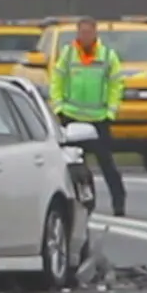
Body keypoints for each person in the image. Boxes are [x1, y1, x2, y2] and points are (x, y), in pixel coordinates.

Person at [49, 16, 127, 217]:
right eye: (82, 32)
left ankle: (119, 202)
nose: (85, 36)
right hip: (71, 117)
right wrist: (58, 108)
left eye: (89, 32)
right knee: (73, 164)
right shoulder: (67, 55)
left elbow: (116, 85)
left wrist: (111, 111)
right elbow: (56, 81)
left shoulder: (107, 55)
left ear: (95, 33)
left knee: (106, 163)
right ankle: (81, 202)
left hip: (99, 118)